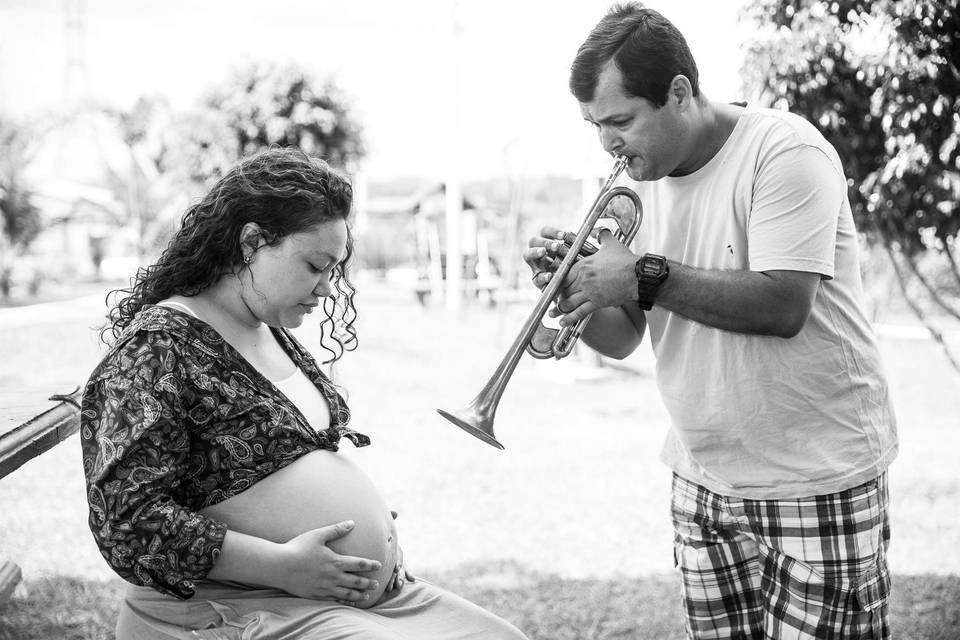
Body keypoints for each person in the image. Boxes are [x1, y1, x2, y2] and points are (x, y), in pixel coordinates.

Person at [523, 4, 898, 639]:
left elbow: (783, 306)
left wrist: (639, 274)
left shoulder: (784, 150)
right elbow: (625, 337)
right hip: (701, 481)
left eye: (619, 121)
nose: (607, 144)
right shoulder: (638, 183)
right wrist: (574, 295)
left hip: (814, 476)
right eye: (594, 126)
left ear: (679, 92)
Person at [81, 147, 529, 640]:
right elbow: (127, 521)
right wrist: (281, 565)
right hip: (233, 605)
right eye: (315, 265)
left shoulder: (267, 327)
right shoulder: (156, 348)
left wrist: (361, 525)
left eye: (333, 270)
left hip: (335, 597)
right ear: (252, 241)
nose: (327, 289)